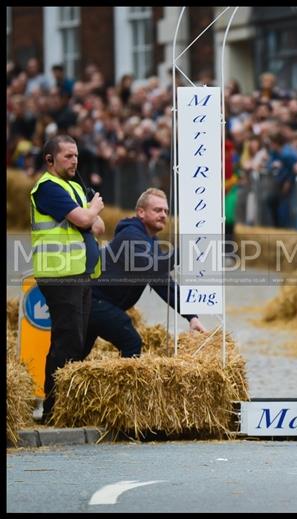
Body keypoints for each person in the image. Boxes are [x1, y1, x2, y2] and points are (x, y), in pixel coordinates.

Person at [31, 135, 104, 423]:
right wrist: (91, 210)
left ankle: (67, 405)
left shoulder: (74, 185)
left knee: (79, 340)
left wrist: (89, 214)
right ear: (50, 160)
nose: (75, 161)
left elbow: (97, 226)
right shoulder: (47, 188)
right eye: (67, 156)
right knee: (67, 341)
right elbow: (87, 220)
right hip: (60, 275)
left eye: (76, 156)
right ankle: (52, 409)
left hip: (79, 274)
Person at [86, 188, 206, 358]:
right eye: (157, 210)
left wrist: (191, 317)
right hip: (95, 301)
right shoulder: (130, 236)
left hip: (100, 303)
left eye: (166, 211)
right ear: (141, 212)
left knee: (77, 352)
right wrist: (183, 253)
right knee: (131, 342)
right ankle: (126, 385)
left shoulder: (150, 241)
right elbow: (151, 267)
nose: (164, 214)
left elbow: (163, 283)